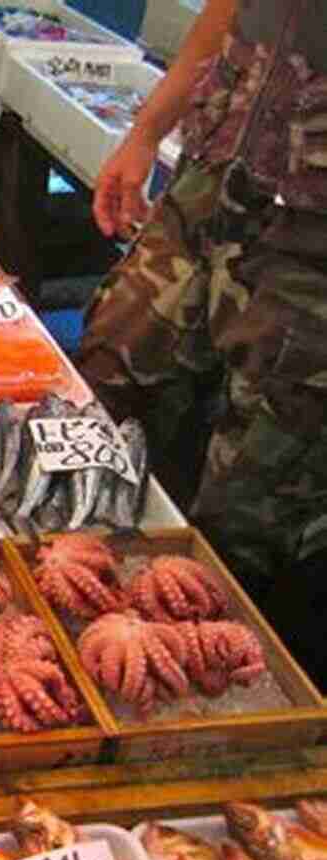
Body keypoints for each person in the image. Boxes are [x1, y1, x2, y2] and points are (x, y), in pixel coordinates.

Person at [77, 0, 327, 680]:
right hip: (216, 174)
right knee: (105, 375)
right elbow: (227, 11)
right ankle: (71, 595)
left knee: (257, 489)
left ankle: (202, 669)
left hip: (313, 246)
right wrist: (145, 132)